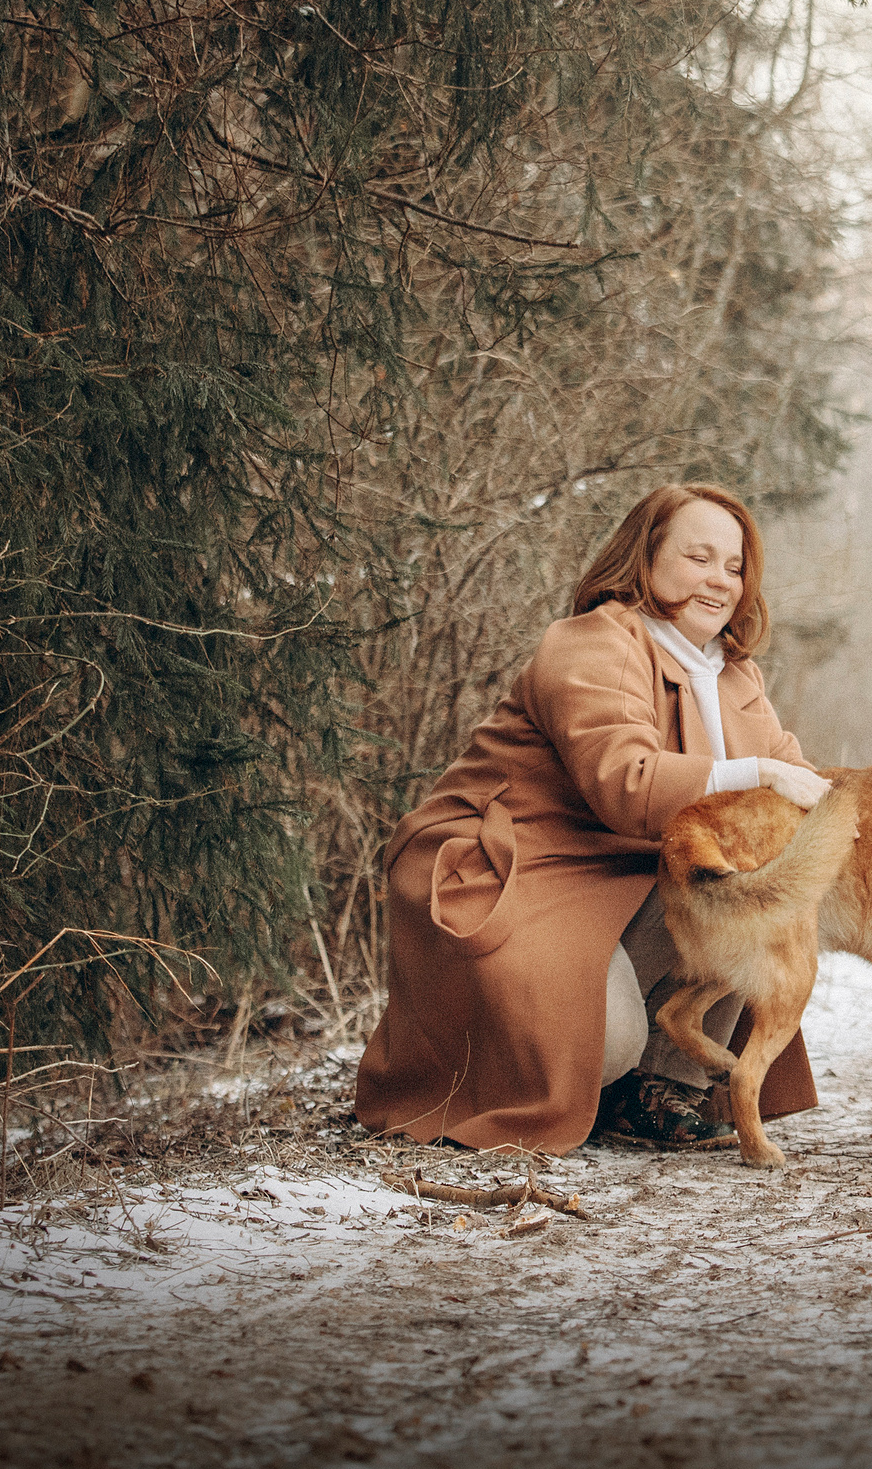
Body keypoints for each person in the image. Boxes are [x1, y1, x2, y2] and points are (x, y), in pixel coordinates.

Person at [352, 483, 834, 1152]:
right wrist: (757, 775)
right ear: (645, 555)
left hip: (612, 876)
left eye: (734, 565)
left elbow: (801, 783)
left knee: (753, 884)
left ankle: (660, 1087)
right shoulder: (592, 642)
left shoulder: (731, 673)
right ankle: (566, 1075)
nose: (721, 581)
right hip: (507, 869)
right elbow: (626, 783)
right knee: (604, 1043)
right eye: (699, 557)